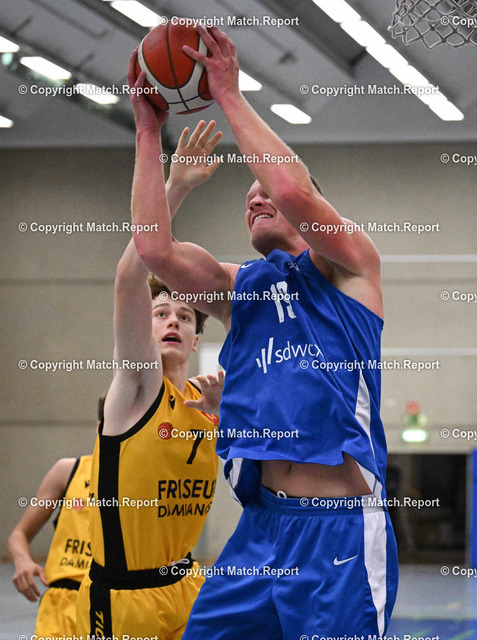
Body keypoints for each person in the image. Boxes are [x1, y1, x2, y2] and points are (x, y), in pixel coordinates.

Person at [130, 25, 398, 639]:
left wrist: (227, 93)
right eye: (246, 198)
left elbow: (290, 186)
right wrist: (147, 131)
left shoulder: (352, 266)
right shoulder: (238, 288)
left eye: (263, 193)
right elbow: (153, 248)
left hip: (338, 529)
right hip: (261, 527)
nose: (255, 200)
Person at [75, 114, 223, 640]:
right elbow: (127, 278)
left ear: (196, 338)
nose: (172, 322)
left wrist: (226, 416)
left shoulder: (209, 401)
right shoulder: (138, 386)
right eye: (161, 313)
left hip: (188, 586)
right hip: (126, 598)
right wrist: (174, 185)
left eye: (184, 316)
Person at [7, 400, 100, 639]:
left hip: (117, 600)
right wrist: (22, 560)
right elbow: (18, 535)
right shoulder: (68, 471)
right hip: (63, 603)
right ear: (100, 427)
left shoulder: (146, 479)